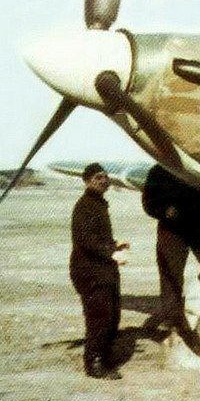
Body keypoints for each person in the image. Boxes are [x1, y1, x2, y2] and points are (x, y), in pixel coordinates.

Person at [141, 165, 200, 334]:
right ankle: (172, 317)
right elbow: (148, 202)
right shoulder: (158, 170)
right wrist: (163, 210)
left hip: (199, 222)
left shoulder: (197, 165)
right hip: (171, 228)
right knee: (171, 274)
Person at [70, 162, 129, 380]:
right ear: (86, 181)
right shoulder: (84, 206)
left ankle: (104, 358)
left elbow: (97, 237)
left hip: (102, 269)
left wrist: (115, 245)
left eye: (104, 176)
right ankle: (94, 364)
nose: (103, 180)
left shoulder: (98, 204)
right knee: (99, 318)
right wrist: (111, 252)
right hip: (89, 271)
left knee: (112, 315)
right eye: (97, 178)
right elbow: (85, 240)